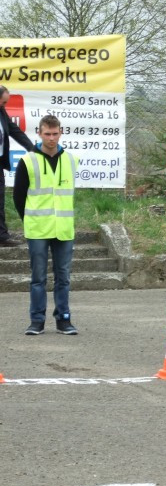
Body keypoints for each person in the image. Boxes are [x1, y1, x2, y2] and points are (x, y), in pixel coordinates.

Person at [13, 114, 79, 335]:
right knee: (38, 278)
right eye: (47, 133)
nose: (51, 138)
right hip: (38, 229)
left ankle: (64, 320)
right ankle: (37, 321)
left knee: (63, 278)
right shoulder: (28, 161)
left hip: (64, 229)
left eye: (55, 133)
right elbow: (18, 197)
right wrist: (30, 220)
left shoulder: (71, 159)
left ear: (61, 133)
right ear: (39, 134)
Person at [0, 85, 35, 247]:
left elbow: (14, 130)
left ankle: (2, 236)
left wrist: (32, 148)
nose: (4, 105)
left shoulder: (1, 111)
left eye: (5, 103)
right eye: (2, 101)